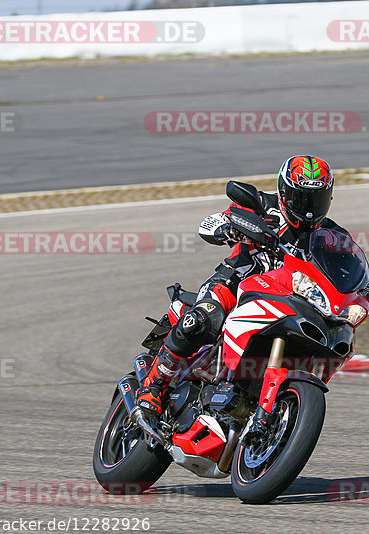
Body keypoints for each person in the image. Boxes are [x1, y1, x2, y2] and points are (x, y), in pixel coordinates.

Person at [135, 155, 347, 417]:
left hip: (288, 298)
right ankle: (153, 387)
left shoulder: (331, 235)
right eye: (300, 198)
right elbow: (210, 224)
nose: (309, 208)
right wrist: (228, 229)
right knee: (202, 319)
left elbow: (345, 268)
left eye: (316, 199)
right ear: (284, 191)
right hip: (236, 282)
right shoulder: (262, 205)